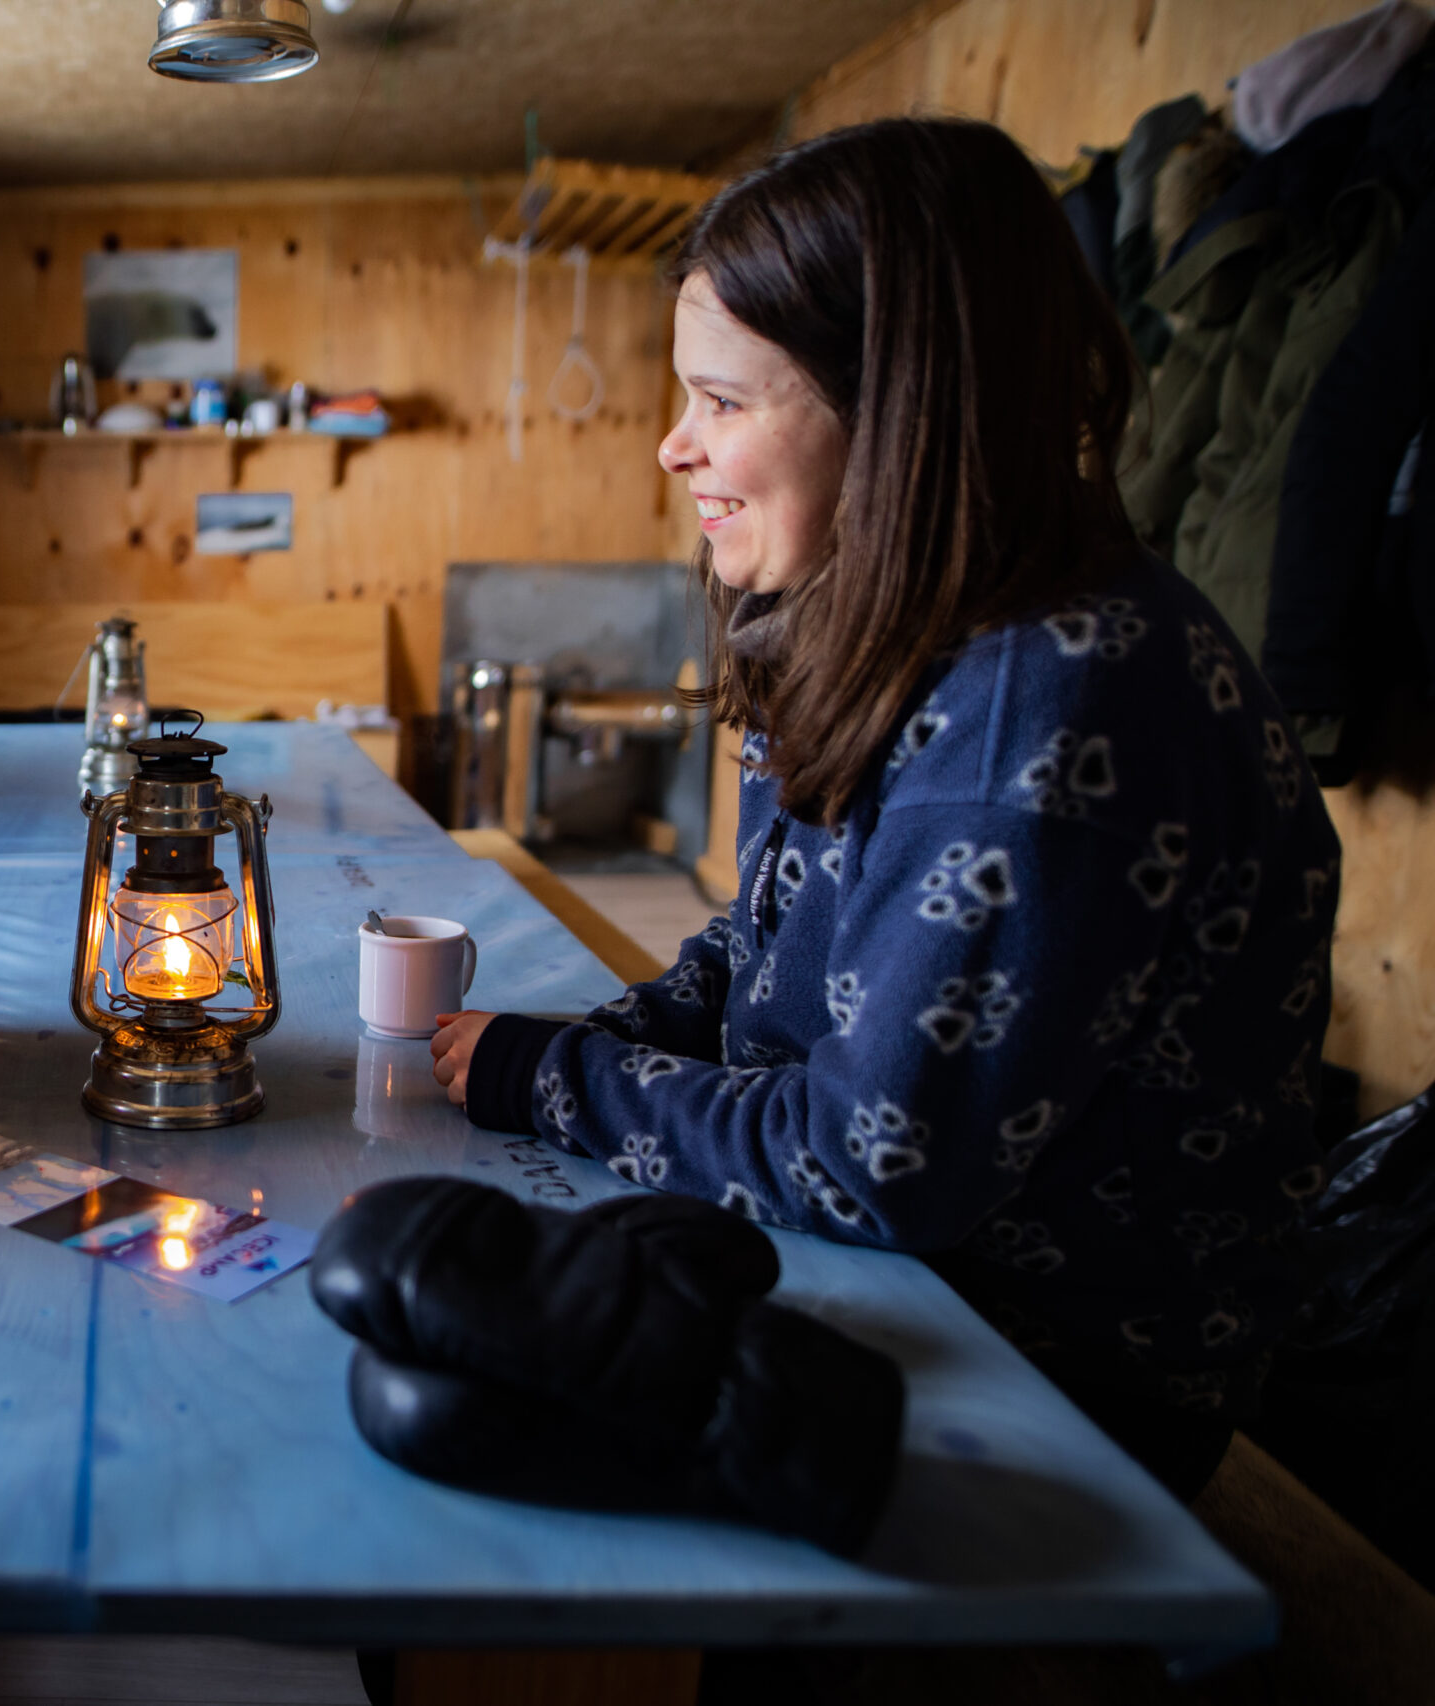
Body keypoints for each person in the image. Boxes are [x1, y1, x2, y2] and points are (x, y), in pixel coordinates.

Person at [430, 118, 1342, 1503]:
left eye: (724, 402)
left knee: (460, 1439)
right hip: (899, 1289)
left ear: (907, 411)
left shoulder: (1053, 700)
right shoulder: (877, 626)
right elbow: (758, 948)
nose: (674, 446)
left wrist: (548, 1081)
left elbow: (872, 1165)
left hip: (1060, 1398)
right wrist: (578, 1046)